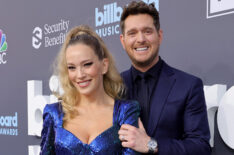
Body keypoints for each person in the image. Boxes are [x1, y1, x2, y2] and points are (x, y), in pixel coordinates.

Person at [118, 1, 211, 155]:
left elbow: (200, 147)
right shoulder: (111, 87)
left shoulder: (188, 85)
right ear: (123, 41)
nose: (140, 39)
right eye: (132, 33)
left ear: (159, 36)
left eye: (147, 31)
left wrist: (151, 144)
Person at [40, 25, 140, 155]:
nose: (80, 74)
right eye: (72, 67)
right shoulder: (54, 114)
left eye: (87, 64)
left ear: (104, 65)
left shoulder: (125, 111)